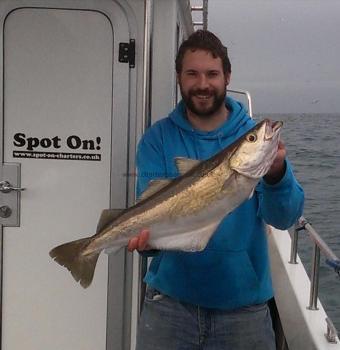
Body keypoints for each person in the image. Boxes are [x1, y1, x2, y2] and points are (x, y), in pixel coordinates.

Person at [128, 30, 304, 350]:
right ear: (179, 77)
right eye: (192, 73)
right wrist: (147, 243)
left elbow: (285, 217)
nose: (203, 84)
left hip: (244, 309)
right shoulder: (157, 139)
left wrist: (277, 174)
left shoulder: (250, 136)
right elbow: (152, 221)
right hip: (170, 306)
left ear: (227, 77)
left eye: (212, 74)